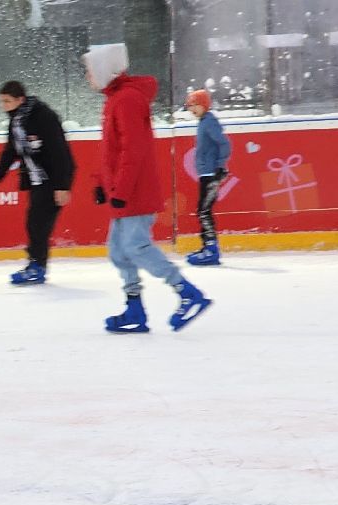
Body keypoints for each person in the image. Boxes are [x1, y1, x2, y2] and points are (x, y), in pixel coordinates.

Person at [84, 43, 211, 333]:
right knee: (118, 251)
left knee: (136, 247)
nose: (88, 77)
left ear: (106, 69)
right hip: (122, 190)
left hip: (134, 192)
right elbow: (111, 150)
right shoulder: (116, 98)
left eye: (91, 70)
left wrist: (122, 191)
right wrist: (101, 183)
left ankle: (188, 293)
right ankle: (134, 308)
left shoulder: (127, 99)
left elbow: (134, 150)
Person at [0, 80, 75, 286]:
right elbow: (11, 149)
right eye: (1, 102)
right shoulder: (17, 119)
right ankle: (36, 265)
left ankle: (37, 266)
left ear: (20, 99)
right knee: (35, 223)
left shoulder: (44, 117)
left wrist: (62, 186)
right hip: (36, 179)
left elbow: (60, 153)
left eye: (7, 101)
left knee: (38, 224)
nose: (4, 106)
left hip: (52, 179)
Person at [185, 89, 232, 267]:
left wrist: (220, 167)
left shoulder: (210, 122)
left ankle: (211, 250)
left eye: (193, 105)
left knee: (204, 211)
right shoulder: (204, 122)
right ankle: (207, 247)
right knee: (203, 210)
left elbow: (225, 143)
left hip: (211, 173)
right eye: (189, 106)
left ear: (203, 104)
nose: (191, 110)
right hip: (206, 173)